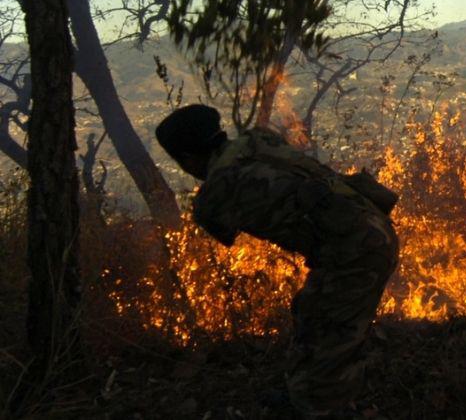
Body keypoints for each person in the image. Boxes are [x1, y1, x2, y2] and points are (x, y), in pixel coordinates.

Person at [155, 104, 399, 418]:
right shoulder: (258, 138)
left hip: (357, 250)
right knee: (310, 315)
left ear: (188, 159)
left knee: (332, 337)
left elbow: (221, 225)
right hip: (366, 226)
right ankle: (304, 395)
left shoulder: (214, 195)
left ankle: (322, 407)